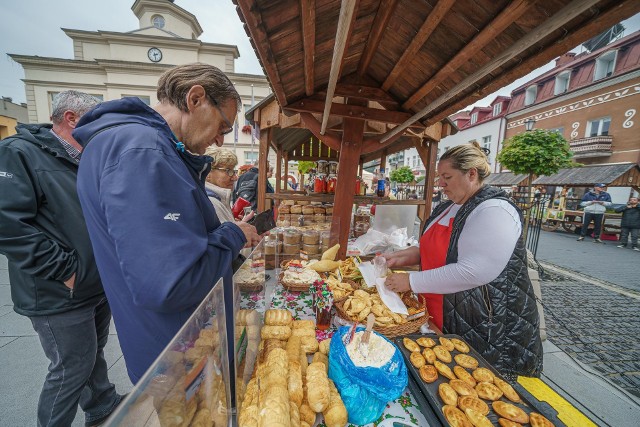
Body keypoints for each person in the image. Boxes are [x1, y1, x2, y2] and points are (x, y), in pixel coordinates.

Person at [73, 63, 261, 384]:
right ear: (196, 99)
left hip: (168, 346)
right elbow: (171, 285)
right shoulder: (143, 151)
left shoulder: (142, 145)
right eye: (223, 126)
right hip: (175, 353)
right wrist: (232, 233)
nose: (219, 140)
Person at [0, 91, 125, 426]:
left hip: (93, 282)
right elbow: (7, 223)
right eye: (97, 122)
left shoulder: (84, 157)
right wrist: (65, 270)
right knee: (71, 367)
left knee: (92, 353)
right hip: (59, 289)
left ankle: (101, 405)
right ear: (72, 119)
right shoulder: (18, 152)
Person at [383, 142, 542, 379]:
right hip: (438, 313)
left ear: (471, 174)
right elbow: (437, 249)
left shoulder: (495, 210)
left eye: (447, 177)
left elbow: (474, 271)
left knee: (471, 387)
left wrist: (410, 281)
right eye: (439, 177)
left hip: (480, 322)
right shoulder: (449, 207)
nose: (441, 184)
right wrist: (401, 256)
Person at [204, 146, 239, 222]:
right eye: (228, 171)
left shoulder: (218, 198)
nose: (235, 178)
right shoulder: (211, 202)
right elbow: (225, 234)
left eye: (233, 171)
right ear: (208, 172)